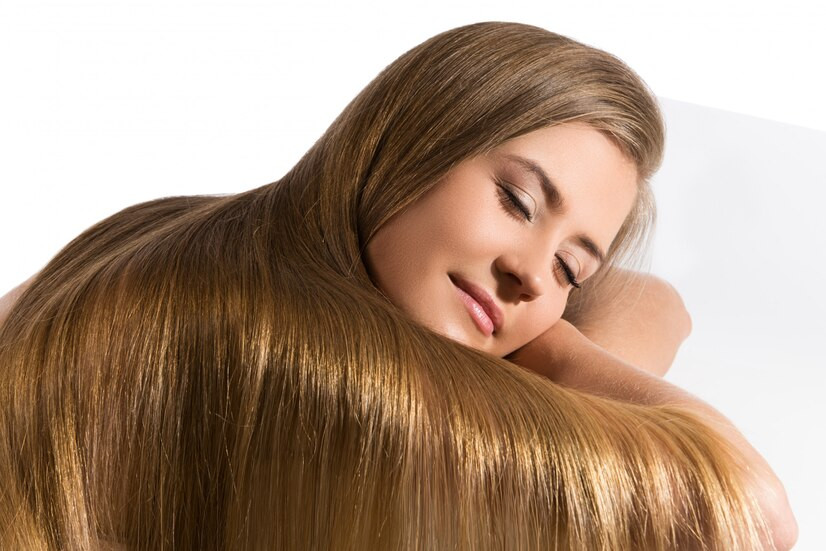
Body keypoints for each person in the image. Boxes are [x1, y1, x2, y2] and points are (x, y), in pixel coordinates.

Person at [0, 21, 796, 550]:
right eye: (517, 201)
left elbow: (658, 300)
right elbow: (750, 515)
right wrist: (554, 356)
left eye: (568, 268)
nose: (529, 272)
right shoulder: (316, 360)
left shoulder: (181, 237)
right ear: (411, 143)